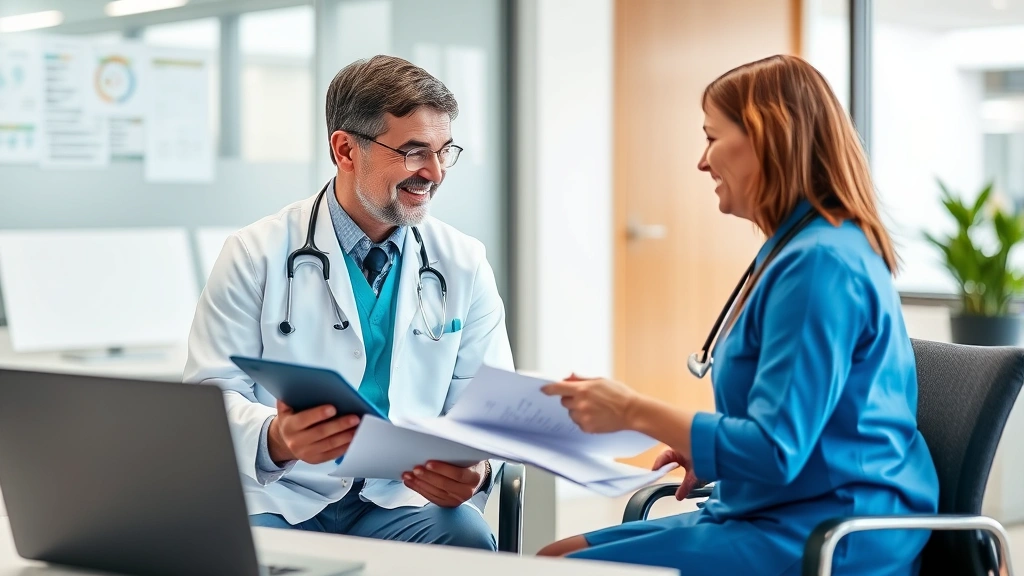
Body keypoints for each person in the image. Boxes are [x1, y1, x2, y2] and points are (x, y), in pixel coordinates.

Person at [537, 54, 940, 575]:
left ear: (767, 138)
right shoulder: (797, 247)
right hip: (781, 505)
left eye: (711, 137)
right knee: (554, 558)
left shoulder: (821, 263)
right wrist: (709, 451)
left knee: (556, 568)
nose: (702, 162)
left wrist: (632, 410)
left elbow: (775, 449)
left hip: (830, 529)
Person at [183, 55, 511, 550]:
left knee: (468, 540)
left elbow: (490, 407)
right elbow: (210, 396)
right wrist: (277, 439)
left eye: (445, 151)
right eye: (414, 152)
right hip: (283, 495)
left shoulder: (462, 263)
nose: (435, 172)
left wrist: (479, 471)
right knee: (239, 553)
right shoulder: (255, 254)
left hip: (403, 501)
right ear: (345, 150)